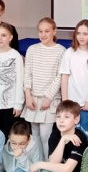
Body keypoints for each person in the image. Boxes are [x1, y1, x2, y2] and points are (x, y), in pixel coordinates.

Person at [22, 17, 65, 160]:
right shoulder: (32, 49)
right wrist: (28, 96)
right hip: (33, 99)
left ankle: (48, 165)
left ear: (54, 31)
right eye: (40, 31)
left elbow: (59, 77)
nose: (43, 34)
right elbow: (27, 74)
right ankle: (37, 164)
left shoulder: (61, 51)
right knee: (35, 135)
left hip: (50, 100)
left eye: (46, 31)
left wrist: (48, 97)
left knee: (46, 135)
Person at [0, 22, 24, 140]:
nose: (0, 38)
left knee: (10, 135)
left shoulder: (16, 55)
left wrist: (18, 103)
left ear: (10, 37)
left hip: (11, 104)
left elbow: (20, 80)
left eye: (3, 35)